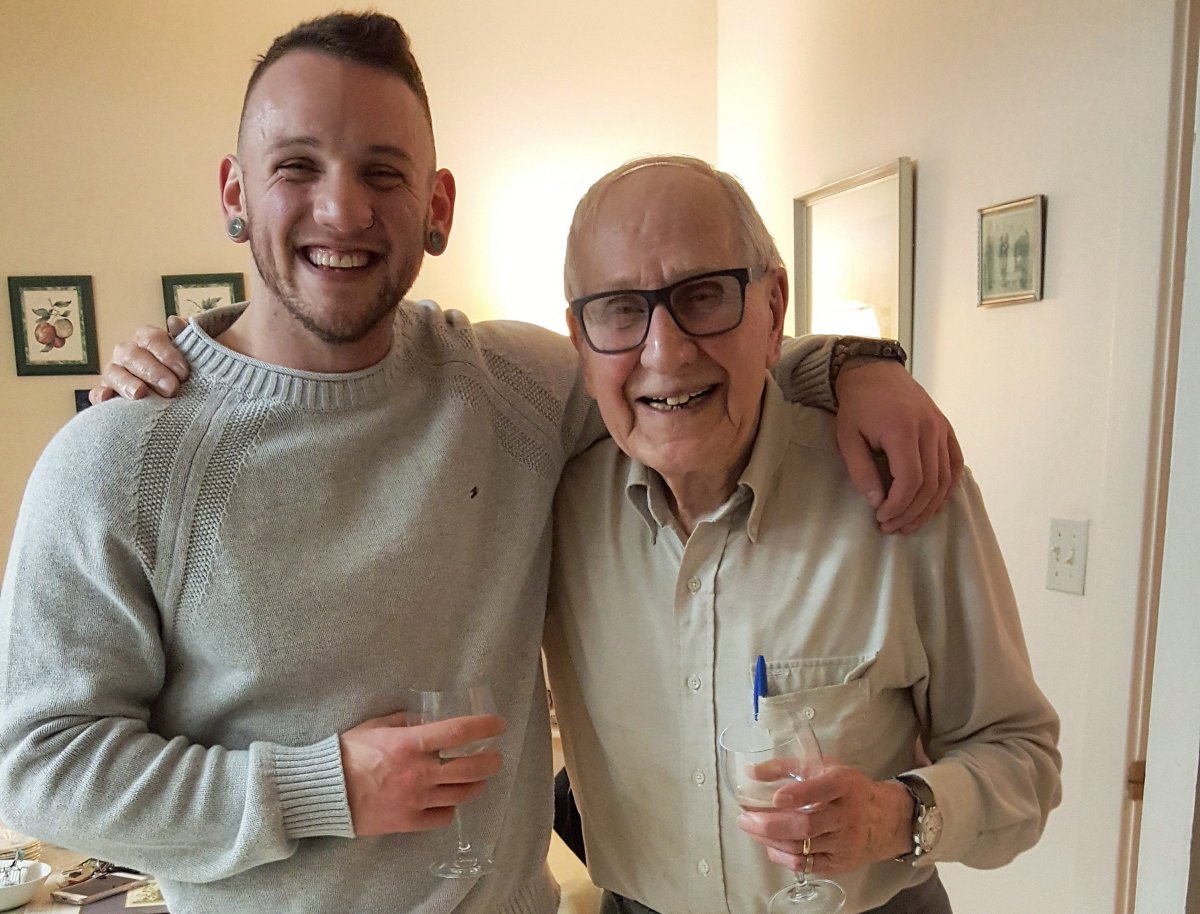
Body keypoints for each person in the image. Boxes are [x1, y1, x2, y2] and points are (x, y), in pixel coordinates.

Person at [0, 13, 959, 914]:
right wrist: (318, 788)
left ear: (437, 206)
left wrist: (851, 365)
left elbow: (678, 367)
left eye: (384, 172)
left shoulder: (513, 385)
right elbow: (37, 766)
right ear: (235, 195)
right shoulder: (118, 456)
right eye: (298, 165)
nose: (343, 207)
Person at [542, 156, 1062, 914]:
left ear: (773, 306)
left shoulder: (900, 493)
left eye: (704, 294)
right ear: (580, 341)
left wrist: (896, 816)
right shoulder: (553, 508)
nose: (666, 350)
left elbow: (1025, 763)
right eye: (620, 310)